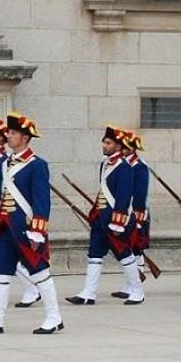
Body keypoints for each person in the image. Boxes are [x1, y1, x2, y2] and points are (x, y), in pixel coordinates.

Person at [0, 112, 65, 335]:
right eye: (9, 132)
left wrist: (38, 229)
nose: (8, 135)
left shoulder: (37, 165)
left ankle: (54, 317)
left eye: (13, 133)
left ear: (25, 138)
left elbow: (42, 200)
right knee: (2, 272)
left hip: (26, 228)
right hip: (6, 227)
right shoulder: (6, 163)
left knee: (39, 271)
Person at [69, 124, 129, 306]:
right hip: (100, 217)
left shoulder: (124, 167)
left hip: (113, 219)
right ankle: (89, 293)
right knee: (94, 254)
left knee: (125, 254)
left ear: (118, 146)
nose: (104, 145)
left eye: (108, 143)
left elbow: (124, 196)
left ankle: (137, 290)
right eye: (104, 142)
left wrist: (118, 221)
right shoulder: (104, 165)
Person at [118, 130, 150, 303]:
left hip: (136, 211)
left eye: (126, 146)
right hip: (125, 211)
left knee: (136, 248)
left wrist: (138, 215)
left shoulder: (139, 166)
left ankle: (136, 285)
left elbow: (140, 193)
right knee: (128, 248)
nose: (123, 149)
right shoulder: (121, 164)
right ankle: (129, 284)